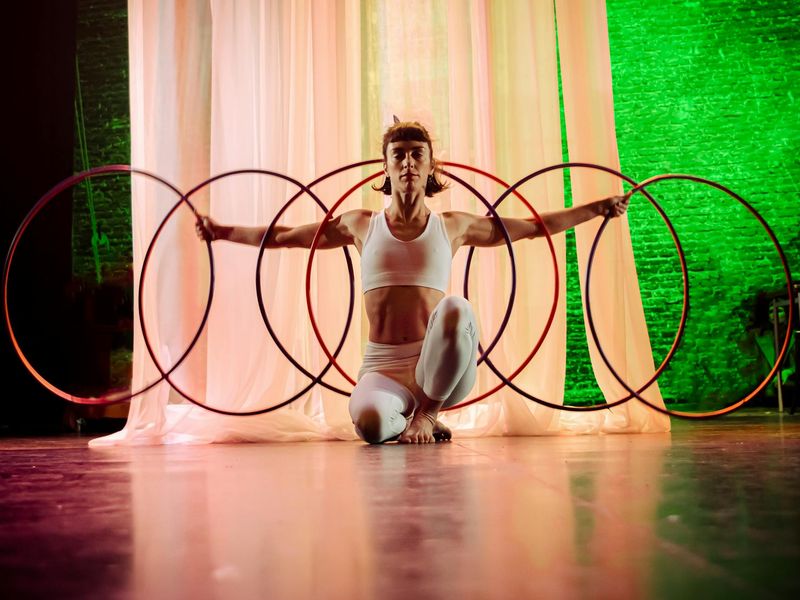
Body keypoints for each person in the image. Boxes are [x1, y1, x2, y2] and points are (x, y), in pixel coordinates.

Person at [196, 120, 630, 445]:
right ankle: (407, 417)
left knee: (456, 307)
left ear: (430, 166)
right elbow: (285, 237)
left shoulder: (454, 226)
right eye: (399, 154)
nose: (407, 162)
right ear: (385, 166)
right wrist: (221, 231)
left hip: (439, 368)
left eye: (417, 154)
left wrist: (597, 209)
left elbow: (534, 227)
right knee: (369, 425)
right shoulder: (360, 224)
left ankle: (428, 413)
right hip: (381, 367)